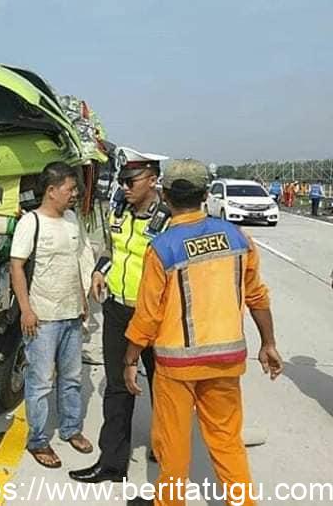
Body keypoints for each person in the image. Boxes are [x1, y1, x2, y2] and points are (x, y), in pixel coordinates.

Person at [121, 159, 283, 506]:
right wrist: (268, 343)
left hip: (177, 367)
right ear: (206, 195)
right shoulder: (238, 237)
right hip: (226, 362)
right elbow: (256, 295)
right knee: (227, 441)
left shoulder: (163, 247)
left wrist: (131, 358)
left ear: (164, 196)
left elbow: (148, 314)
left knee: (173, 443)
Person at [69, 147, 169, 484]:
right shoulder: (120, 209)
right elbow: (111, 249)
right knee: (116, 387)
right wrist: (100, 271)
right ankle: (112, 463)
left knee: (163, 386)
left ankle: (167, 450)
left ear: (153, 179)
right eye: (122, 180)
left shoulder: (168, 217)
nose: (125, 186)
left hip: (156, 316)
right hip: (117, 310)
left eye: (132, 180)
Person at [10, 161, 94, 468]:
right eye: (70, 188)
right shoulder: (31, 222)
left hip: (72, 314)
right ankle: (38, 440)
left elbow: (79, 259)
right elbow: (16, 266)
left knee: (72, 378)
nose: (74, 194)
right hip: (42, 318)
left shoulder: (73, 219)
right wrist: (26, 310)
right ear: (51, 191)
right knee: (41, 382)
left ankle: (71, 429)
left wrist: (83, 298)